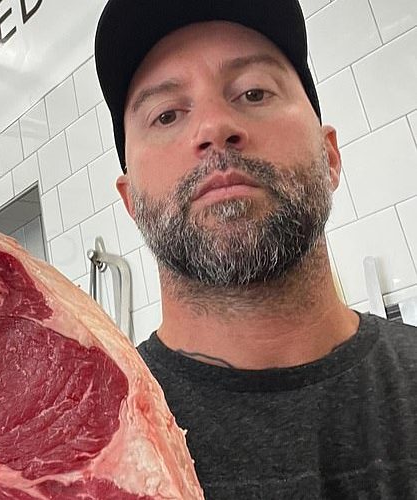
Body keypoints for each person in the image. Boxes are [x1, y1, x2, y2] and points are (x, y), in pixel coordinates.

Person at [94, 0, 417, 498]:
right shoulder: (93, 450)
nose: (213, 127)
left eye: (253, 92)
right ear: (131, 201)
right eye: (167, 115)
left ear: (329, 156)